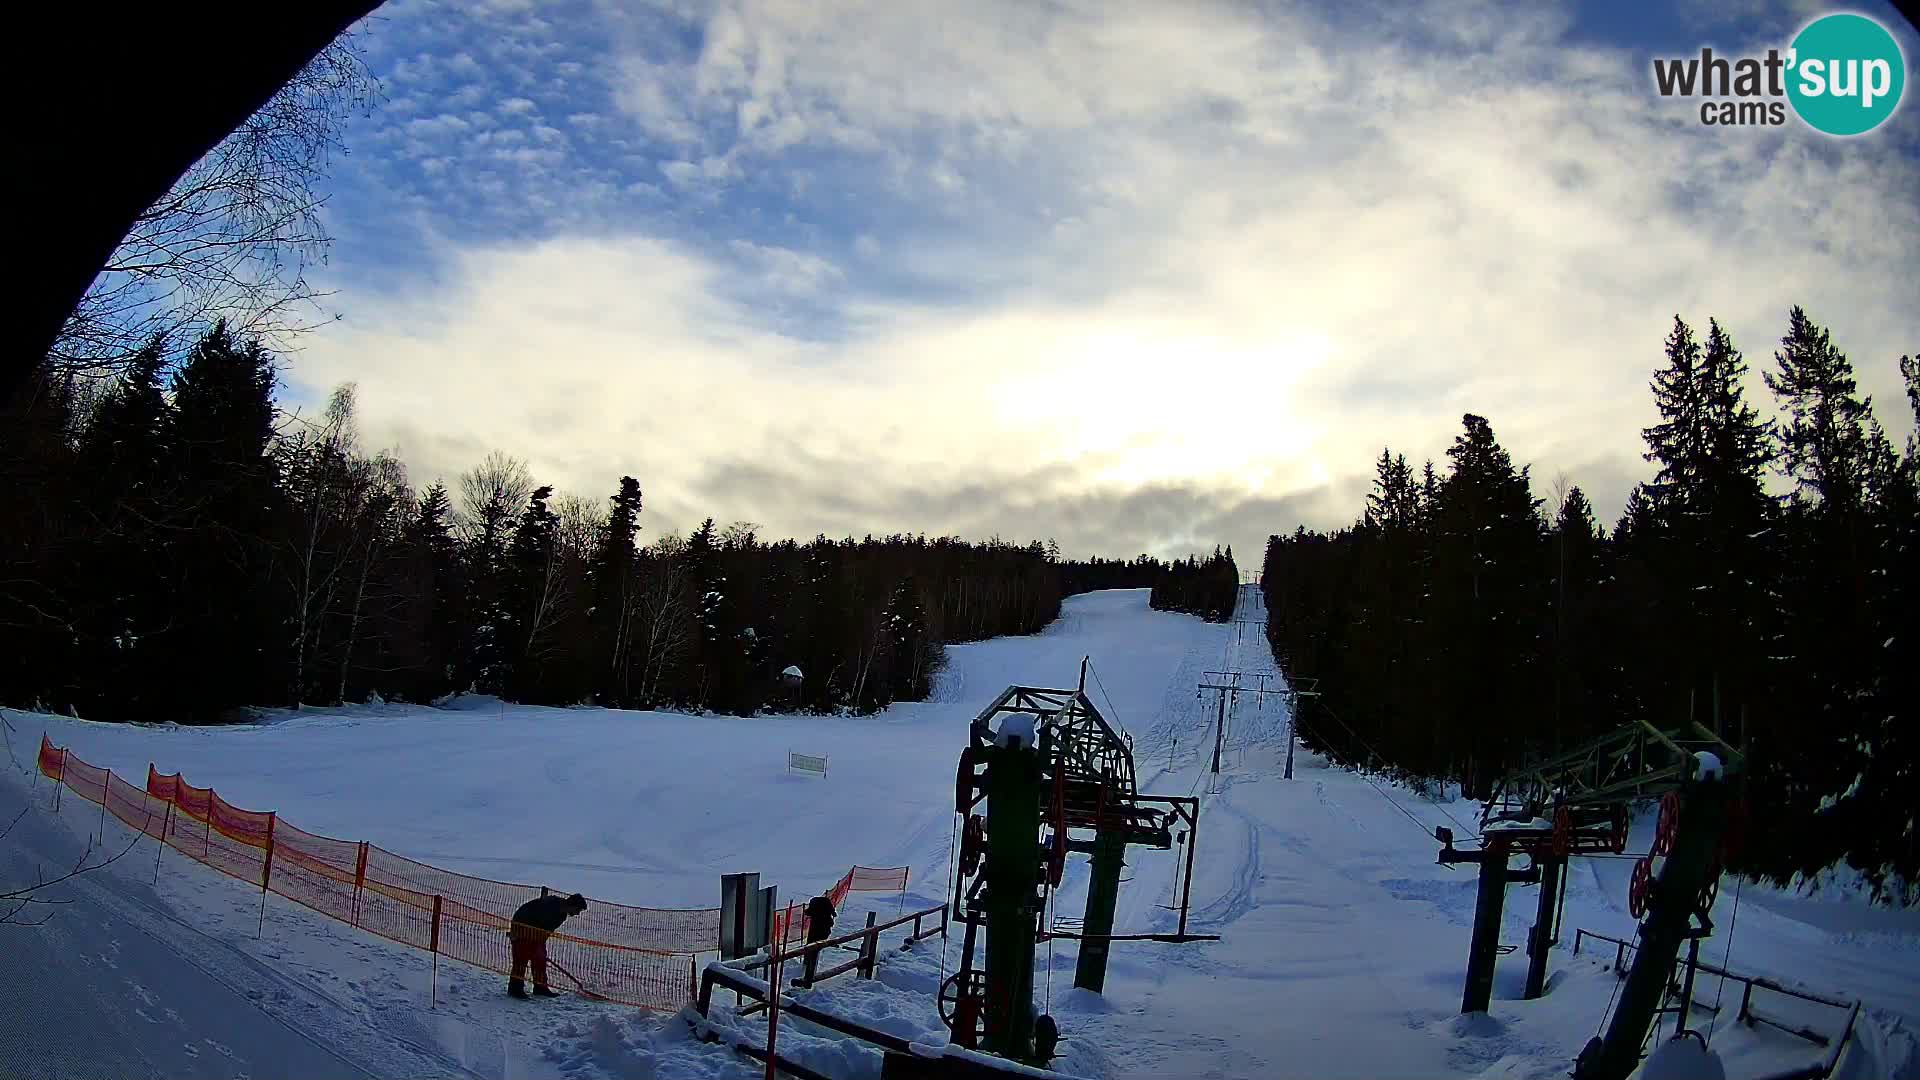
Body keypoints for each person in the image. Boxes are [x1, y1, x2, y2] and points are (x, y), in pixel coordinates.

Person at [508, 891, 587, 999]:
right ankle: (515, 990)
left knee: (540, 960)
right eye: (578, 910)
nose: (577, 914)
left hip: (536, 935)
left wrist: (539, 944)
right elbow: (534, 919)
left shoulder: (562, 915)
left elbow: (547, 930)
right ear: (572, 905)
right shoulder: (551, 905)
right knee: (521, 960)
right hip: (522, 928)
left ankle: (540, 988)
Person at [796, 893, 837, 986]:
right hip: (823, 932)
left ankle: (808, 975)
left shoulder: (817, 910)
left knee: (812, 950)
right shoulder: (826, 910)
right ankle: (808, 971)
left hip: (816, 933)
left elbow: (809, 912)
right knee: (813, 950)